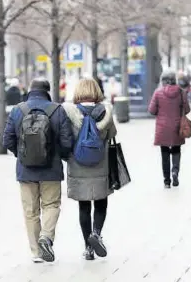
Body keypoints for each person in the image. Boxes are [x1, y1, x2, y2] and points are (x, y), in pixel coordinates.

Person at [2, 79, 74, 263]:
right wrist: (59, 156)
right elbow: (67, 142)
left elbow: (7, 139)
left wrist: (22, 155)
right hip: (51, 169)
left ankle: (36, 252)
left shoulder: (18, 110)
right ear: (47, 91)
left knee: (30, 211)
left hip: (25, 171)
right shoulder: (57, 110)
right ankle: (46, 237)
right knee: (51, 205)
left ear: (30, 90)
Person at [62, 78, 117, 261]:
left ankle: (88, 248)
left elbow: (65, 137)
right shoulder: (105, 112)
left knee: (84, 206)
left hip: (78, 165)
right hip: (101, 164)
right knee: (101, 202)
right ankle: (97, 233)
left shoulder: (69, 112)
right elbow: (112, 134)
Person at [148, 69, 190, 188]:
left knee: (164, 153)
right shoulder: (181, 92)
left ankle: (167, 181)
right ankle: (175, 171)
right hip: (177, 127)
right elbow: (187, 110)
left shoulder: (158, 93)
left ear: (163, 81)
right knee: (176, 150)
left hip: (163, 128)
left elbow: (151, 110)